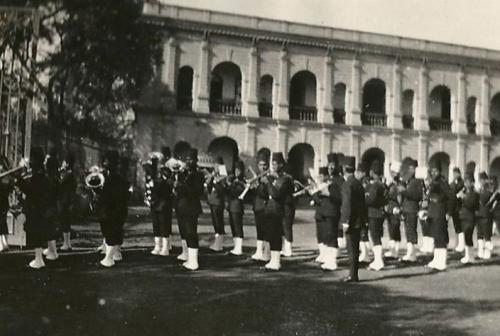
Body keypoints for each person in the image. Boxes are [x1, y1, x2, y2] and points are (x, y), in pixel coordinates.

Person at [18, 147, 50, 269]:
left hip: (35, 207)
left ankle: (38, 259)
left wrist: (19, 180)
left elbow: (31, 191)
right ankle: (38, 258)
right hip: (38, 206)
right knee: (37, 231)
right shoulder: (40, 171)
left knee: (35, 232)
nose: (30, 161)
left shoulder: (38, 174)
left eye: (31, 158)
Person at [173, 148, 204, 270]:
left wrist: (182, 186)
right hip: (181, 207)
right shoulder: (183, 174)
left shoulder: (198, 175)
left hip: (191, 207)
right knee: (184, 232)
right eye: (186, 160)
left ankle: (194, 261)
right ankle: (188, 257)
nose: (188, 162)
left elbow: (195, 192)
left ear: (195, 160)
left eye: (191, 159)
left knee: (191, 233)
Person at [98, 151, 130, 267]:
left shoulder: (115, 176)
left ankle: (109, 258)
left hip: (113, 208)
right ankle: (115, 253)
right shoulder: (109, 175)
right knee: (111, 230)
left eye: (106, 161)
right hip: (111, 208)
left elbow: (118, 193)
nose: (104, 163)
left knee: (111, 230)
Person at [262, 152, 294, 270]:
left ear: (281, 165)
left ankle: (276, 262)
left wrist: (269, 182)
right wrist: (263, 185)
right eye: (272, 164)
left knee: (276, 236)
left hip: (278, 210)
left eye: (275, 164)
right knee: (271, 235)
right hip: (270, 209)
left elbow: (276, 194)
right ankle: (273, 260)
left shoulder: (285, 179)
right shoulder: (273, 178)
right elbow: (266, 194)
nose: (273, 166)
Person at [340, 156, 367, 282]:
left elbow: (347, 204)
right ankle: (354, 273)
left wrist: (345, 221)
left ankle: (352, 274)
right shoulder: (358, 183)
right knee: (354, 248)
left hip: (350, 221)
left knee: (351, 248)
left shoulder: (347, 184)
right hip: (358, 220)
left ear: (344, 169)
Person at [312, 162, 343, 271]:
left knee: (332, 237)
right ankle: (328, 260)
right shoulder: (324, 183)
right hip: (325, 213)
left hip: (332, 213)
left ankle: (333, 261)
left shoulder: (336, 183)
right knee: (327, 237)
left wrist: (328, 194)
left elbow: (339, 198)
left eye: (321, 176)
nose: (319, 178)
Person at [426, 163, 452, 271]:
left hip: (440, 213)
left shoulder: (443, 183)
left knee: (440, 237)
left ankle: (442, 262)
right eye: (432, 171)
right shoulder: (434, 183)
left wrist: (449, 212)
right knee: (435, 237)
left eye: (436, 171)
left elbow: (451, 198)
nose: (433, 173)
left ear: (440, 171)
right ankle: (436, 259)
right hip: (433, 213)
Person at [149, 149, 174, 256]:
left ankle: (165, 247)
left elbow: (168, 183)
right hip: (155, 202)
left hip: (164, 202)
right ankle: (157, 246)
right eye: (154, 161)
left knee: (164, 224)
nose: (156, 163)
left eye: (157, 161)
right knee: (156, 224)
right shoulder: (153, 172)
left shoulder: (167, 170)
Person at [365, 160, 388, 271]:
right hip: (379, 213)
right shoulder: (382, 184)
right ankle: (378, 260)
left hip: (374, 213)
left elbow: (371, 199)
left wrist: (364, 200)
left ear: (372, 172)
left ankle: (378, 261)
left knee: (375, 237)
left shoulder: (375, 185)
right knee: (376, 236)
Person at [399, 158, 423, 262]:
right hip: (407, 208)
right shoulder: (408, 180)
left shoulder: (417, 181)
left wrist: (404, 192)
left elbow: (417, 195)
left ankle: (412, 253)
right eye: (410, 168)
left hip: (412, 209)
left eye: (412, 168)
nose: (411, 170)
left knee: (411, 230)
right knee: (408, 230)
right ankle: (410, 252)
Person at [251, 151, 270, 261]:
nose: (262, 167)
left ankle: (266, 253)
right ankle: (259, 251)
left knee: (266, 230)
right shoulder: (257, 177)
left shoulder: (268, 178)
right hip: (257, 206)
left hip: (265, 207)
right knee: (259, 229)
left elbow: (266, 194)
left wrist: (260, 185)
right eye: (260, 165)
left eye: (265, 165)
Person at [457, 171, 479, 264]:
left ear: (472, 183)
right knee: (466, 236)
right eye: (465, 182)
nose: (466, 184)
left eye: (468, 182)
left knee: (468, 236)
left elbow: (471, 205)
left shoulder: (474, 193)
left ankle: (471, 256)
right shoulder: (465, 192)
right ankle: (468, 255)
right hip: (464, 216)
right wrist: (459, 196)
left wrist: (463, 198)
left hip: (470, 217)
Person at [225, 160, 246, 256]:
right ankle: (236, 246)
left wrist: (230, 185)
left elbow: (236, 192)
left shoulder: (242, 181)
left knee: (238, 226)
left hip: (237, 206)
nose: (237, 172)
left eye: (239, 170)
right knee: (233, 226)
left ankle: (239, 247)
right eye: (236, 170)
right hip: (232, 206)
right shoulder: (234, 180)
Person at [207, 157, 226, 252]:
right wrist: (211, 178)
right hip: (213, 201)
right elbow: (208, 187)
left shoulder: (223, 176)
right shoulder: (214, 175)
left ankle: (219, 244)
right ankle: (217, 242)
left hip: (218, 201)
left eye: (217, 165)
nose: (215, 167)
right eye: (215, 165)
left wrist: (215, 181)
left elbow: (221, 190)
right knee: (215, 222)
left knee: (219, 222)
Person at [43, 154, 61, 261]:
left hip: (49, 206)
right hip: (52, 206)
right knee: (50, 229)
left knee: (49, 230)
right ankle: (52, 250)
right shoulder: (54, 178)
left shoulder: (50, 179)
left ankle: (53, 252)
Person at [59, 154, 78, 251]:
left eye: (63, 162)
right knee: (66, 222)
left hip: (65, 201)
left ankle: (66, 243)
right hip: (68, 201)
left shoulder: (68, 174)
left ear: (66, 163)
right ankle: (67, 243)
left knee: (64, 222)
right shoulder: (70, 174)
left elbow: (60, 184)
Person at [327, 153, 345, 249]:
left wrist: (328, 194)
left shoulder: (340, 180)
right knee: (327, 235)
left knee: (333, 235)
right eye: (329, 165)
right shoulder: (327, 179)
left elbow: (341, 197)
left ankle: (332, 259)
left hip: (334, 211)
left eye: (332, 165)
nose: (330, 168)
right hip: (326, 211)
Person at [385, 161, 403, 258]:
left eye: (393, 172)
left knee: (395, 228)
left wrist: (399, 208)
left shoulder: (399, 184)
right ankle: (392, 249)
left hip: (395, 207)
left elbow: (399, 197)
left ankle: (395, 250)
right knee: (391, 228)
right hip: (390, 207)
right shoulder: (391, 183)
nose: (392, 174)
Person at [355, 162, 371, 263]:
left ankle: (365, 254)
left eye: (359, 172)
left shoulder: (365, 183)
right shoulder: (361, 182)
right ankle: (364, 253)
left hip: (364, 211)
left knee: (363, 232)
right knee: (362, 232)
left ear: (363, 173)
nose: (357, 174)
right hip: (362, 211)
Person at [281, 162, 296, 257]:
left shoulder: (290, 182)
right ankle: (285, 248)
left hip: (288, 207)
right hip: (285, 206)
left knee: (287, 228)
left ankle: (288, 249)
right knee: (284, 227)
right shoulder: (289, 182)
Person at [477, 172, 493, 260]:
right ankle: (480, 251)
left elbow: (483, 199)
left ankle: (487, 252)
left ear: (486, 180)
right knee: (479, 233)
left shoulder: (488, 190)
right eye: (480, 179)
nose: (481, 181)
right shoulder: (480, 189)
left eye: (482, 179)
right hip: (479, 213)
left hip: (486, 214)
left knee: (487, 234)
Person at [449, 167, 465, 252]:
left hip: (459, 207)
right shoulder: (452, 183)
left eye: (456, 173)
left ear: (459, 173)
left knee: (460, 226)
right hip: (454, 208)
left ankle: (461, 244)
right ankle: (457, 243)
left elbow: (457, 192)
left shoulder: (461, 183)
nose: (455, 175)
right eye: (454, 173)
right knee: (456, 226)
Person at [0, 156, 13, 252]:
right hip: (4, 200)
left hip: (2, 199)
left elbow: (7, 188)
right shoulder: (6, 177)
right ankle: (3, 243)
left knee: (2, 221)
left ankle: (3, 244)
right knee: (2, 221)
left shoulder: (5, 177)